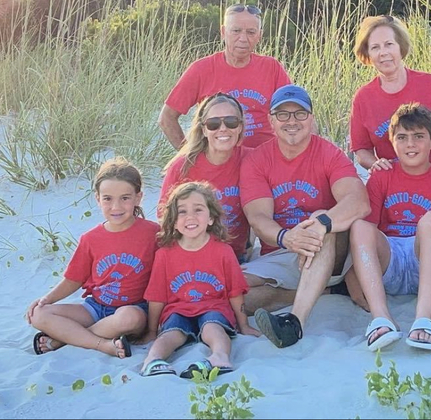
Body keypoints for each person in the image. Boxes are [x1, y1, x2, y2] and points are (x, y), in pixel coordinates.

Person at [240, 84, 370, 348]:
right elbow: (258, 217)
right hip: (282, 249)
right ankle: (325, 290)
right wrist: (287, 238)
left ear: (311, 118)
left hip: (328, 248)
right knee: (237, 294)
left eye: (300, 114)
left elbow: (359, 201)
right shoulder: (257, 160)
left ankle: (294, 322)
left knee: (320, 216)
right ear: (271, 120)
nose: (292, 121)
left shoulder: (328, 153)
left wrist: (321, 225)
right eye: (283, 114)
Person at [349, 103, 431, 352]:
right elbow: (363, 240)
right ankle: (381, 319)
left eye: (419, 137)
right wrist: (354, 284)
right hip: (392, 261)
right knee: (360, 225)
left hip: (429, 262)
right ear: (392, 141)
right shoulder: (381, 176)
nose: (410, 144)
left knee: (430, 219)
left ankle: (424, 319)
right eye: (402, 137)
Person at [26, 158, 159, 357]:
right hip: (95, 308)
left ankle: (65, 340)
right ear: (97, 198)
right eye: (107, 198)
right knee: (39, 314)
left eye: (125, 198)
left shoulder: (153, 233)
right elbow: (74, 280)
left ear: (138, 198)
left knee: (129, 318)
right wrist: (47, 299)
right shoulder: (90, 239)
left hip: (133, 309)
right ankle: (101, 343)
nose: (116, 206)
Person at [140, 182, 260, 378]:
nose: (190, 217)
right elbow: (157, 297)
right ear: (173, 219)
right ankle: (152, 360)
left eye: (198, 209)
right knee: (172, 333)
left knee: (212, 328)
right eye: (182, 211)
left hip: (214, 308)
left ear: (211, 217)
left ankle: (220, 357)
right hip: (179, 309)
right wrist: (151, 330)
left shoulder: (223, 251)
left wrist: (244, 324)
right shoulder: (165, 255)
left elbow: (235, 292)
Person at [349, 15, 431, 188]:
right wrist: (375, 164)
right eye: (375, 47)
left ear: (400, 47)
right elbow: (361, 150)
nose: (383, 52)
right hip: (394, 175)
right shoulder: (363, 97)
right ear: (368, 54)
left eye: (389, 44)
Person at [159, 4, 291, 150]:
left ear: (259, 35)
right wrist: (190, 156)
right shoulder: (201, 70)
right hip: (219, 161)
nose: (243, 38)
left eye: (251, 32)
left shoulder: (272, 68)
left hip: (264, 160)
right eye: (236, 31)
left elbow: (298, 113)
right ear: (223, 32)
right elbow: (167, 118)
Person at [157, 92, 251, 262]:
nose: (223, 128)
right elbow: (165, 219)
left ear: (240, 127)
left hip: (235, 256)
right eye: (213, 124)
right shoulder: (183, 167)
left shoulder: (252, 161)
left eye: (231, 122)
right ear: (204, 130)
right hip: (191, 254)